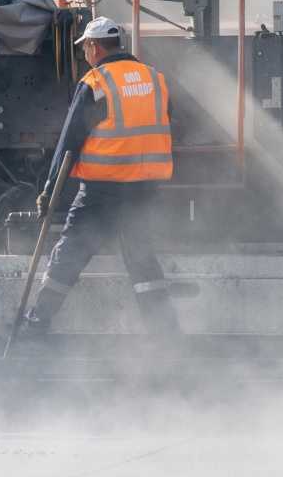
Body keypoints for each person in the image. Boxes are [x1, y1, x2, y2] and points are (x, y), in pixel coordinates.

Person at [21, 17, 179, 340]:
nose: (86, 55)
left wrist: (50, 190)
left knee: (70, 254)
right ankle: (166, 334)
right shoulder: (154, 79)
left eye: (86, 49)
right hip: (144, 188)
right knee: (142, 259)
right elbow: (167, 120)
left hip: (102, 190)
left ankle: (37, 323)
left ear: (94, 47)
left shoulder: (96, 83)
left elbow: (70, 140)